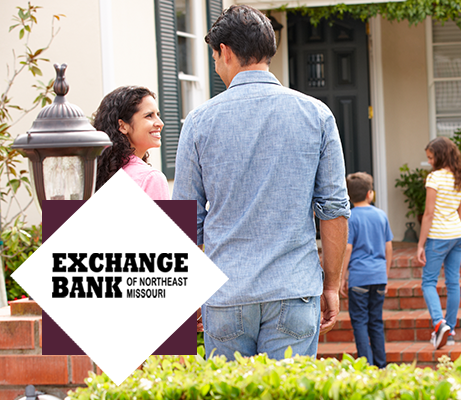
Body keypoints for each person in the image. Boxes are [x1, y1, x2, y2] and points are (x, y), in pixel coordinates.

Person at [172, 5, 349, 361]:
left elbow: (187, 223)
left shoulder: (198, 122)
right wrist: (331, 284)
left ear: (224, 51)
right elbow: (333, 210)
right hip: (293, 288)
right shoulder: (316, 114)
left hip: (226, 294)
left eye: (214, 56)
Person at [415, 137, 461, 349]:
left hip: (438, 236)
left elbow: (428, 214)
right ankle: (451, 330)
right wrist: (458, 235)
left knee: (428, 282)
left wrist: (420, 244)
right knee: (453, 282)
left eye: (430, 157)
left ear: (440, 155)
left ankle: (439, 323)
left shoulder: (434, 178)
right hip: (458, 235)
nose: (429, 161)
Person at [339, 172, 392, 367]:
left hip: (359, 279)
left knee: (360, 322)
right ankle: (381, 365)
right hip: (379, 276)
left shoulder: (351, 218)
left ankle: (366, 366)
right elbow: (388, 247)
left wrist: (341, 277)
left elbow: (348, 248)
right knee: (376, 322)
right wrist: (385, 275)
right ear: (370, 193)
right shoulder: (381, 215)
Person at [93, 86, 169, 200]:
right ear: (123, 126)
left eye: (158, 115)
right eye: (149, 115)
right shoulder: (150, 178)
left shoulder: (97, 172)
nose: (160, 123)